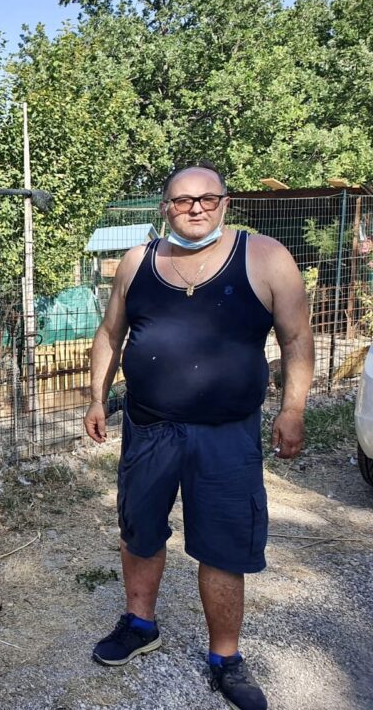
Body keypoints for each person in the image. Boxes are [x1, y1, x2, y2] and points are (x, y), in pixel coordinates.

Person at [83, 163, 314, 710]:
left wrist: (293, 409)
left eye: (207, 198)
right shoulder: (138, 262)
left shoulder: (265, 258)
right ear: (165, 207)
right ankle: (140, 624)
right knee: (140, 530)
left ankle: (225, 658)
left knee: (224, 545)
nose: (195, 208)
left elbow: (297, 338)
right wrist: (96, 397)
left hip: (226, 435)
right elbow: (110, 333)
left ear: (225, 203)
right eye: (182, 200)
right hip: (148, 428)